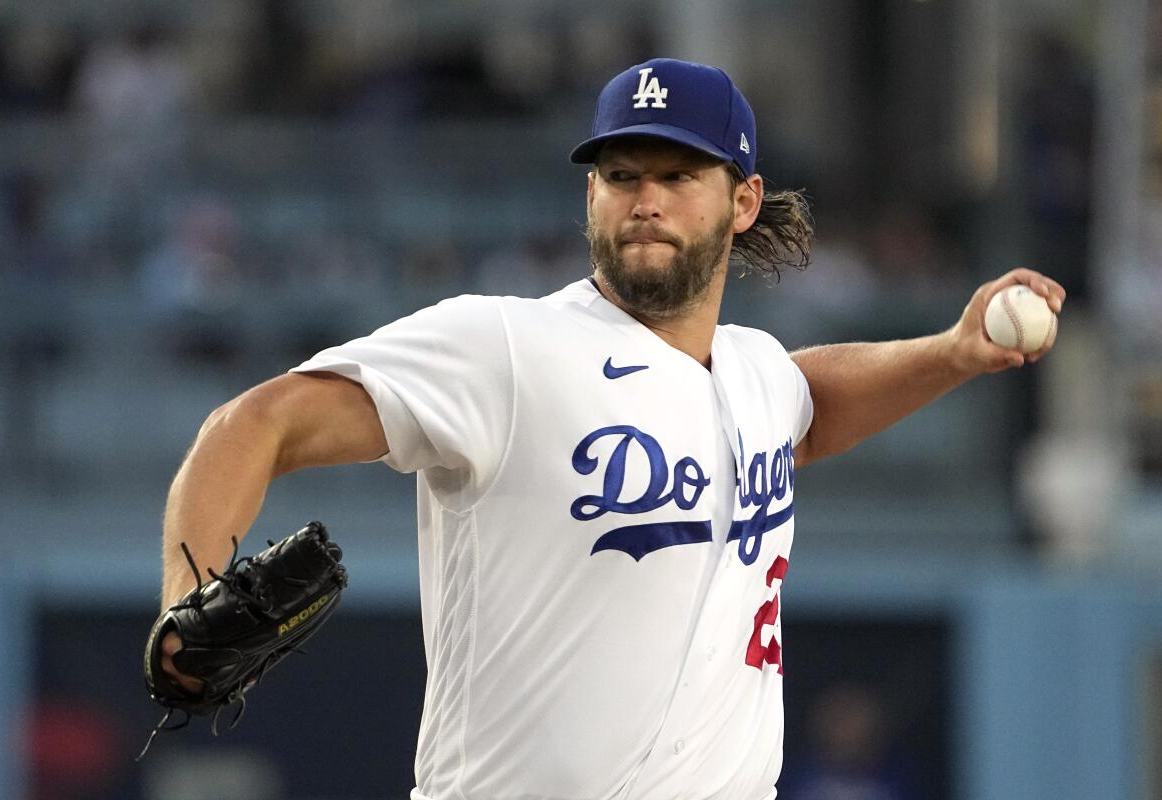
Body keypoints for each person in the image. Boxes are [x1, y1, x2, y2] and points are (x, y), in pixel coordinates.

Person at [155, 58, 1065, 799]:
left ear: (742, 202)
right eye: (621, 175)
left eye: (677, 175)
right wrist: (180, 607)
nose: (646, 199)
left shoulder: (753, 374)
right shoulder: (506, 347)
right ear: (590, 198)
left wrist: (949, 352)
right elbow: (259, 421)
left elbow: (809, 402)